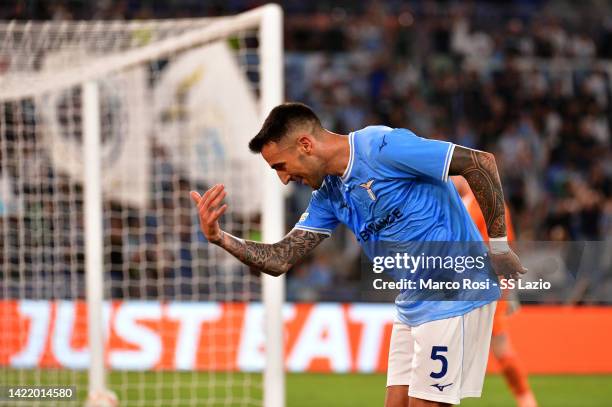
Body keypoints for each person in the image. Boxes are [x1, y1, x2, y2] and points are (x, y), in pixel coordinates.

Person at [190, 103, 527, 407]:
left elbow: (480, 163)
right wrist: (220, 238)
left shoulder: (382, 147)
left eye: (281, 165)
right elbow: (281, 258)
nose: (283, 179)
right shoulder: (330, 195)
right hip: (413, 302)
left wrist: (499, 247)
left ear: (305, 145)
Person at [453, 177, 538, 407]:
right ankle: (526, 400)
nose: (450, 177)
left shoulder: (486, 202)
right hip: (467, 287)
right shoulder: (464, 201)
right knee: (459, 347)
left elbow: (501, 246)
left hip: (486, 286)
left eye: (454, 172)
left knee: (498, 345)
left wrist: (504, 287)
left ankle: (526, 400)